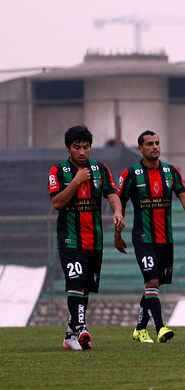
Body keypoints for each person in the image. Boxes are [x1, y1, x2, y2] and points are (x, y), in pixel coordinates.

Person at [48, 125, 125, 351]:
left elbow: (112, 196)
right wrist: (75, 182)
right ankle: (81, 328)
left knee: (85, 288)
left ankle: (70, 336)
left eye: (86, 147)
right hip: (70, 239)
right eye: (77, 147)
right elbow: (57, 203)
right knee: (76, 281)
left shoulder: (100, 169)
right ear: (68, 148)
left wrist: (118, 212)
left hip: (94, 240)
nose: (82, 152)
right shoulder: (58, 170)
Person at [115, 130, 185, 344]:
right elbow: (119, 202)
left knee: (154, 286)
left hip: (165, 240)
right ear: (140, 148)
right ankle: (160, 328)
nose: (155, 146)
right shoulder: (130, 174)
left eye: (157, 142)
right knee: (152, 281)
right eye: (149, 143)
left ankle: (140, 329)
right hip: (143, 238)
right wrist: (117, 234)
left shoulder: (171, 171)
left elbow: (184, 196)